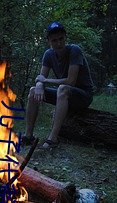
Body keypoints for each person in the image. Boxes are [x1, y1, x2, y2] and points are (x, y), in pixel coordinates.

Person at [22, 21, 95, 149]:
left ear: (65, 37)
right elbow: (41, 78)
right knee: (33, 91)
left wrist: (44, 81)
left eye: (61, 39)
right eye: (54, 40)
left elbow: (70, 81)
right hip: (65, 94)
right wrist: (39, 85)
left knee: (63, 88)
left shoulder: (74, 50)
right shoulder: (48, 54)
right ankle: (28, 136)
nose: (59, 43)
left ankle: (53, 138)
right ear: (49, 41)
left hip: (83, 95)